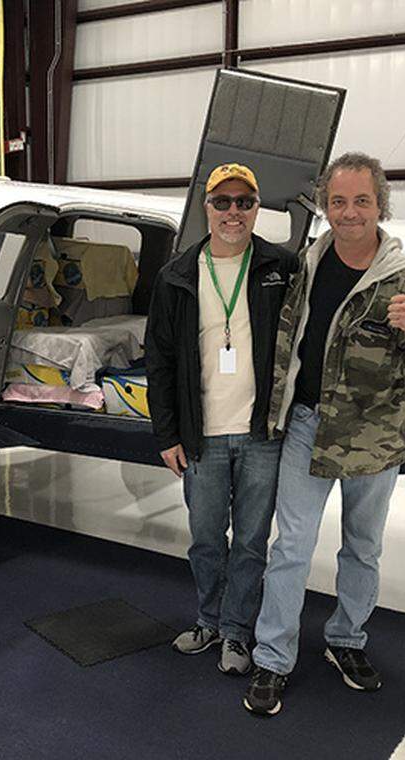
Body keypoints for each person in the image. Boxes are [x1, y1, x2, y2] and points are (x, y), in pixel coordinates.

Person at [242, 152, 405, 715]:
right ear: (326, 207)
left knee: (362, 549)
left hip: (376, 441)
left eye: (361, 201)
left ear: (379, 206)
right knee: (290, 547)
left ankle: (346, 641)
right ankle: (273, 658)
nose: (349, 213)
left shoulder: (404, 281)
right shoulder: (305, 267)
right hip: (306, 429)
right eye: (338, 202)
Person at [146, 163, 300, 676]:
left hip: (261, 436)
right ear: (206, 208)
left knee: (253, 541)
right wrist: (167, 433)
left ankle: (237, 632)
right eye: (223, 202)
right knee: (207, 539)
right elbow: (160, 359)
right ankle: (209, 621)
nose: (233, 212)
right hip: (201, 436)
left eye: (244, 202)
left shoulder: (282, 268)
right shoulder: (177, 276)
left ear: (256, 208)